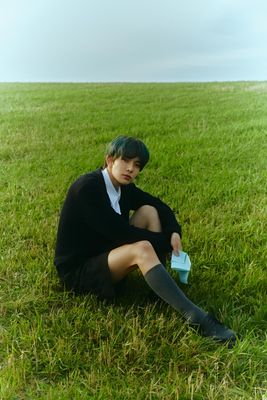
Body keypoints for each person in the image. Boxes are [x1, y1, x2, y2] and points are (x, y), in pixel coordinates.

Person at [54, 136, 236, 346]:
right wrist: (165, 242)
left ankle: (159, 291)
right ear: (110, 160)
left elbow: (157, 205)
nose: (131, 169)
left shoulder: (122, 187)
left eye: (137, 165)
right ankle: (198, 319)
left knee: (149, 212)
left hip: (105, 252)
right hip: (80, 271)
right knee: (142, 248)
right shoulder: (87, 188)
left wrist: (174, 231)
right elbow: (122, 233)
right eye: (126, 161)